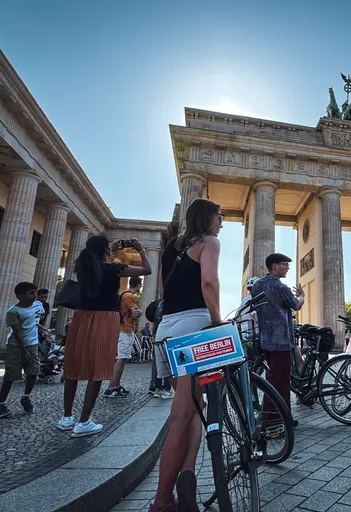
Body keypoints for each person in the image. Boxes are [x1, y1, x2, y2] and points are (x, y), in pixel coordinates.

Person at [152, 198, 222, 512]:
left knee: (195, 404)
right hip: (194, 328)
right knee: (182, 415)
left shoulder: (172, 248)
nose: (222, 222)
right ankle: (162, 500)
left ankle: (188, 474)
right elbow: (208, 281)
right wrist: (218, 320)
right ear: (208, 217)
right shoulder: (209, 242)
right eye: (220, 216)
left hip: (167, 329)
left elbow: (165, 292)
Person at [57, 235, 152, 438]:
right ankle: (83, 422)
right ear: (104, 251)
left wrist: (110, 251)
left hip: (81, 318)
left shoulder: (84, 268)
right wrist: (140, 250)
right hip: (104, 319)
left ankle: (66, 417)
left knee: (73, 368)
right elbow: (147, 269)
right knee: (98, 369)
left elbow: (97, 266)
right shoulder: (112, 269)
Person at [252, 255, 304, 423]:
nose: (287, 268)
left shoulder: (257, 285)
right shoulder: (281, 287)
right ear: (274, 266)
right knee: (280, 382)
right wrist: (302, 295)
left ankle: (283, 416)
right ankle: (273, 419)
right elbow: (296, 305)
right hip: (281, 341)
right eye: (284, 265)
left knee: (273, 378)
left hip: (265, 340)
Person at [0, 282, 45, 418]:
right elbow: (17, 332)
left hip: (33, 344)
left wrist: (41, 329)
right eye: (31, 293)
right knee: (10, 376)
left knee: (34, 371)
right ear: (20, 296)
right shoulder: (13, 311)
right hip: (16, 345)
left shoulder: (38, 305)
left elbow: (35, 320)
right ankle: (1, 404)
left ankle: (25, 397)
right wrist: (24, 351)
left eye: (35, 293)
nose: (35, 296)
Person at [105, 276, 143, 398]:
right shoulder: (130, 296)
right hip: (126, 329)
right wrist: (140, 312)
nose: (140, 287)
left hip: (122, 328)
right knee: (121, 358)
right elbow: (135, 312)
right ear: (137, 284)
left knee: (122, 357)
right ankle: (112, 387)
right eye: (140, 285)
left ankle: (116, 385)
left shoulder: (124, 295)